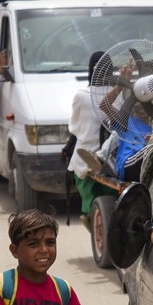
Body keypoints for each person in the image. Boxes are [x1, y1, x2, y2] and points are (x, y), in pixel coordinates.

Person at [66, 51, 114, 229]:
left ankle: (89, 215)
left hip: (84, 158)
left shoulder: (81, 95)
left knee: (88, 196)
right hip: (112, 160)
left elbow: (74, 128)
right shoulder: (119, 94)